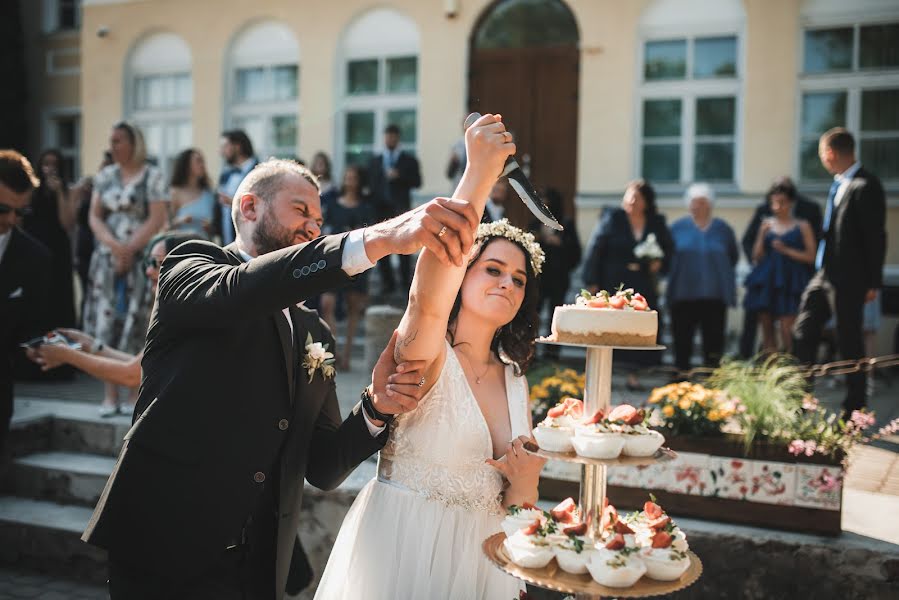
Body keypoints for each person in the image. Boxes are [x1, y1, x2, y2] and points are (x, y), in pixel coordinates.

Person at [81, 154, 484, 600]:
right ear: (250, 207)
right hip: (165, 544)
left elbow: (325, 466)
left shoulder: (315, 332)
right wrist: (380, 237)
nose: (314, 226)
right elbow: (239, 292)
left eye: (319, 218)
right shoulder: (190, 264)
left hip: (258, 566)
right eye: (301, 210)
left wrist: (376, 405)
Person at [315, 114, 543, 599]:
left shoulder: (516, 379)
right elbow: (427, 297)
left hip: (484, 569)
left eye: (519, 279)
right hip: (407, 552)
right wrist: (478, 173)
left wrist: (525, 483)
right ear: (463, 273)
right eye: (493, 269)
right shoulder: (429, 353)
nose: (507, 282)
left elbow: (518, 505)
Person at [792, 127, 887, 414]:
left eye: (822, 154)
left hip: (851, 279)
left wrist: (873, 282)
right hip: (825, 275)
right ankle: (800, 398)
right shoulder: (839, 184)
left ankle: (854, 407)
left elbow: (875, 237)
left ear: (830, 153)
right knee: (803, 331)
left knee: (850, 341)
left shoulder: (865, 185)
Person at [27, 231, 198, 387]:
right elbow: (143, 365)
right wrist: (91, 345)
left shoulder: (180, 314)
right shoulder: (187, 307)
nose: (148, 271)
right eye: (147, 262)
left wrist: (66, 355)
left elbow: (132, 375)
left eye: (156, 263)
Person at [82, 121, 168, 416]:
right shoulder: (105, 175)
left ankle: (134, 392)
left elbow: (157, 218)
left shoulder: (153, 176)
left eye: (118, 140)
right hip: (107, 259)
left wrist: (129, 249)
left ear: (134, 143)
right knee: (105, 322)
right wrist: (114, 247)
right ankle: (109, 394)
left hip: (140, 257)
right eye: (111, 140)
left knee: (138, 321)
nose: (113, 146)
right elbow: (94, 217)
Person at [582, 179, 673, 388]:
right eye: (629, 195)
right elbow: (596, 248)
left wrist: (659, 263)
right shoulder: (613, 218)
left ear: (646, 202)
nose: (631, 200)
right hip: (613, 281)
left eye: (637, 197)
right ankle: (606, 369)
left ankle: (635, 373)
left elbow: (668, 249)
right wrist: (592, 280)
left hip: (643, 282)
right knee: (613, 324)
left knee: (641, 325)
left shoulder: (656, 222)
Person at [0, 150, 51, 455]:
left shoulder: (36, 258)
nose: (10, 220)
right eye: (2, 209)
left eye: (21, 212)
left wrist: (38, 347)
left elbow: (32, 328)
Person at [739, 176, 822, 358]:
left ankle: (792, 372)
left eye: (782, 203)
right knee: (767, 329)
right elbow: (755, 255)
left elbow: (811, 256)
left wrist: (787, 250)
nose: (777, 207)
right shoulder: (766, 224)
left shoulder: (802, 225)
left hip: (790, 281)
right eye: (774, 203)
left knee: (788, 328)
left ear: (791, 203)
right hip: (767, 280)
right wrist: (761, 234)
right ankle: (772, 375)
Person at [17, 149, 78, 380]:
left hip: (57, 254)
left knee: (58, 304)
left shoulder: (66, 189)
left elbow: (67, 223)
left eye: (54, 164)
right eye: (45, 164)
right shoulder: (30, 191)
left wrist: (60, 192)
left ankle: (63, 364)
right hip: (34, 252)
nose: (49, 168)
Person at [667, 183, 738, 375]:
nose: (697, 206)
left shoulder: (723, 230)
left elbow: (732, 256)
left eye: (702, 202)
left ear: (710, 205)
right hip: (683, 296)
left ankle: (712, 388)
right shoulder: (677, 229)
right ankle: (679, 389)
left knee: (713, 348)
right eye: (693, 202)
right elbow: (666, 258)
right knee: (682, 345)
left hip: (714, 298)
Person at [318, 165, 376, 370]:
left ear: (359, 181)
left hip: (358, 260)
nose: (349, 180)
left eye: (353, 177)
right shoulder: (333, 205)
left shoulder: (365, 207)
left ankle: (347, 357)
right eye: (347, 176)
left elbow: (370, 236)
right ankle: (335, 354)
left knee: (354, 308)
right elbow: (324, 231)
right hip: (334, 259)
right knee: (327, 304)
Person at [368, 124, 422, 296]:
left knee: (404, 246)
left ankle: (405, 283)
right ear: (384, 138)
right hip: (380, 210)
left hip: (401, 209)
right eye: (388, 136)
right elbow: (370, 184)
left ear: (398, 138)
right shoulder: (375, 161)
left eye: (393, 136)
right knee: (382, 246)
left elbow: (417, 181)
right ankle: (387, 283)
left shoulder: (408, 160)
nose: (391, 139)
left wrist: (400, 176)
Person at [530, 187, 580, 360]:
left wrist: (560, 243)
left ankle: (552, 354)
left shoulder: (566, 224)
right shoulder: (536, 223)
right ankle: (530, 352)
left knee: (555, 317)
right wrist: (540, 238)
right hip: (539, 278)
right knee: (533, 314)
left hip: (558, 278)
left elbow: (575, 252)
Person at [72, 151, 113, 322]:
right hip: (86, 247)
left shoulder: (113, 192)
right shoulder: (91, 188)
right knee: (88, 292)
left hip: (104, 245)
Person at [215, 129, 258, 245]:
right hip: (226, 240)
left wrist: (234, 202)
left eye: (225, 146)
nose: (221, 152)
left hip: (251, 240)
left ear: (237, 146)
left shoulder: (259, 170)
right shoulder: (225, 174)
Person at [169, 148, 215, 236]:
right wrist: (181, 220)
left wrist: (209, 227)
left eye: (203, 161)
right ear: (186, 165)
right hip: (181, 245)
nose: (203, 165)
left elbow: (214, 229)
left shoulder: (209, 194)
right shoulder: (175, 193)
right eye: (198, 161)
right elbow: (164, 227)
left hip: (205, 246)